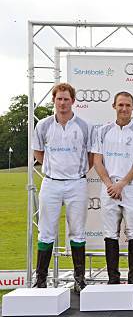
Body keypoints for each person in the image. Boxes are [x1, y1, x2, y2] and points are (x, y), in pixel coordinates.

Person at [32, 82, 93, 293]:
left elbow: (91, 156)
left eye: (67, 99)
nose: (63, 103)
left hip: (77, 183)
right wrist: (53, 168)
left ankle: (79, 279)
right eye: (59, 99)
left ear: (73, 101)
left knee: (77, 232)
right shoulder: (43, 125)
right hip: (51, 183)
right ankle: (41, 279)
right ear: (53, 100)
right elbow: (38, 153)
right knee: (46, 232)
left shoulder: (84, 126)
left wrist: (77, 171)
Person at [92, 91, 133, 285]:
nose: (124, 108)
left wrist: (122, 184)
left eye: (128, 105)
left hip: (130, 188)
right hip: (109, 189)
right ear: (114, 106)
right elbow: (97, 161)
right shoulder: (102, 131)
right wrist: (110, 184)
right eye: (120, 105)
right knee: (110, 233)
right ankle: (113, 278)